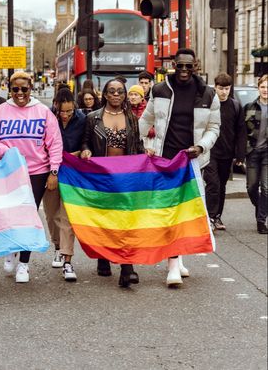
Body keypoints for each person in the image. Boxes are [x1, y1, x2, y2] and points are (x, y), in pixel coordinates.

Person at [139, 48, 220, 287]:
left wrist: (201, 147)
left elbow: (214, 128)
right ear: (174, 64)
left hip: (193, 161)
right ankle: (173, 264)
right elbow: (146, 120)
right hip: (165, 160)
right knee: (170, 210)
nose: (184, 70)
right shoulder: (160, 89)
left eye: (189, 66)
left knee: (186, 212)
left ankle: (178, 258)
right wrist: (143, 145)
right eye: (180, 66)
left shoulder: (208, 93)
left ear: (196, 65)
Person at [0, 71, 63, 283]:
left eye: (24, 89)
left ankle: (24, 264)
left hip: (37, 172)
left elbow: (55, 143)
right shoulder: (1, 111)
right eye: (15, 89)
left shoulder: (43, 112)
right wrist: (6, 152)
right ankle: (11, 250)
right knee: (11, 215)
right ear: (9, 90)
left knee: (28, 217)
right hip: (10, 171)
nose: (20, 93)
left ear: (31, 88)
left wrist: (53, 171)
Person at [81, 78, 143, 288]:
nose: (116, 94)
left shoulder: (132, 118)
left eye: (120, 91)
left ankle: (127, 268)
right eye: (112, 91)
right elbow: (85, 141)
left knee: (124, 221)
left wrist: (147, 159)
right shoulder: (92, 118)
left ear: (125, 95)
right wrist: (85, 150)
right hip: (102, 176)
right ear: (105, 95)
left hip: (126, 177)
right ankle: (103, 256)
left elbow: (138, 145)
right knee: (106, 220)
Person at [43, 88, 86, 281]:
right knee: (52, 214)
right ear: (55, 106)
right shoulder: (47, 118)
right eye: (63, 112)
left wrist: (83, 151)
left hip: (73, 170)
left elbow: (86, 141)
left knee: (67, 216)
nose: (66, 115)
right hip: (50, 170)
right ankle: (57, 246)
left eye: (70, 111)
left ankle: (67, 260)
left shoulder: (82, 119)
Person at [203, 73, 246, 231]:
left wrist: (240, 155)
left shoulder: (235, 106)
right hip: (210, 152)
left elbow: (241, 131)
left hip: (227, 153)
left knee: (221, 186)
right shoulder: (208, 104)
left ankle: (217, 216)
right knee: (212, 184)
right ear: (215, 87)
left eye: (227, 89)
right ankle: (209, 217)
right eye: (221, 88)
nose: (224, 92)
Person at [243, 74, 268, 234]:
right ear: (258, 88)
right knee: (252, 187)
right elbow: (242, 132)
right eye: (263, 87)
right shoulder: (249, 107)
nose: (266, 90)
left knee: (266, 188)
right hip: (252, 152)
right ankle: (261, 207)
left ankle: (261, 221)